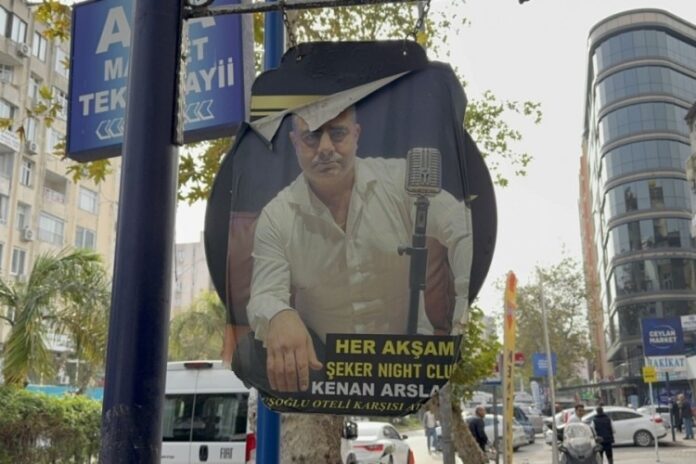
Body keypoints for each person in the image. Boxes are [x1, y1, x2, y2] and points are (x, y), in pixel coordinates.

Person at [246, 107, 473, 392]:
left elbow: (463, 228)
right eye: (311, 137)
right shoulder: (277, 216)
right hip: (324, 371)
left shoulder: (400, 181)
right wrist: (278, 315)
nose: (325, 148)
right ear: (295, 142)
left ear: (356, 135)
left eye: (337, 133)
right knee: (248, 352)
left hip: (408, 365)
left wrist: (462, 313)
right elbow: (264, 294)